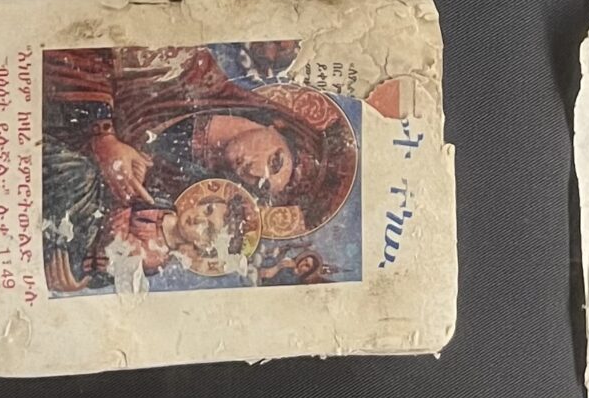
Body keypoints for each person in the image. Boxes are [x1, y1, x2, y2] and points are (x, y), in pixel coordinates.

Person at [41, 44, 355, 292]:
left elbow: (102, 247)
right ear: (277, 124)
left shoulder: (184, 198)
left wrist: (75, 275)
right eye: (275, 161)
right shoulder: (189, 68)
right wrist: (102, 135)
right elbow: (79, 45)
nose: (257, 174)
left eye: (263, 186)